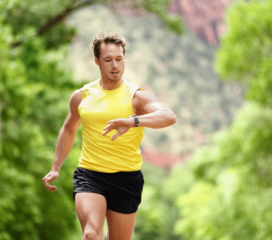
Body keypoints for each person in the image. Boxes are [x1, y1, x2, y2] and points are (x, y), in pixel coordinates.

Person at [42, 32, 176, 240]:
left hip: (127, 177)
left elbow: (168, 116)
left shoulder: (136, 96)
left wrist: (133, 121)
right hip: (90, 174)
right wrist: (55, 168)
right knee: (90, 235)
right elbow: (69, 129)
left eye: (119, 59)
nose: (115, 65)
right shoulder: (82, 96)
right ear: (97, 61)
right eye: (108, 60)